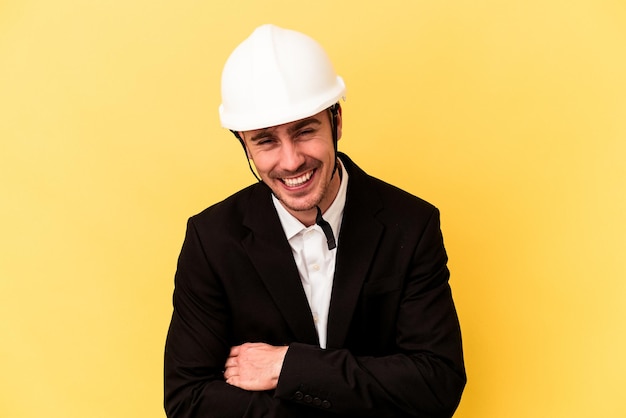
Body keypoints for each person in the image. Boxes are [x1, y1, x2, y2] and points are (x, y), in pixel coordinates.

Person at [164, 24, 466, 418]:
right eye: (266, 140)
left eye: (304, 131)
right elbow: (187, 400)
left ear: (336, 121)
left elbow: (436, 384)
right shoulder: (211, 240)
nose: (291, 161)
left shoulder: (410, 224)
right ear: (244, 144)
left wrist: (288, 366)